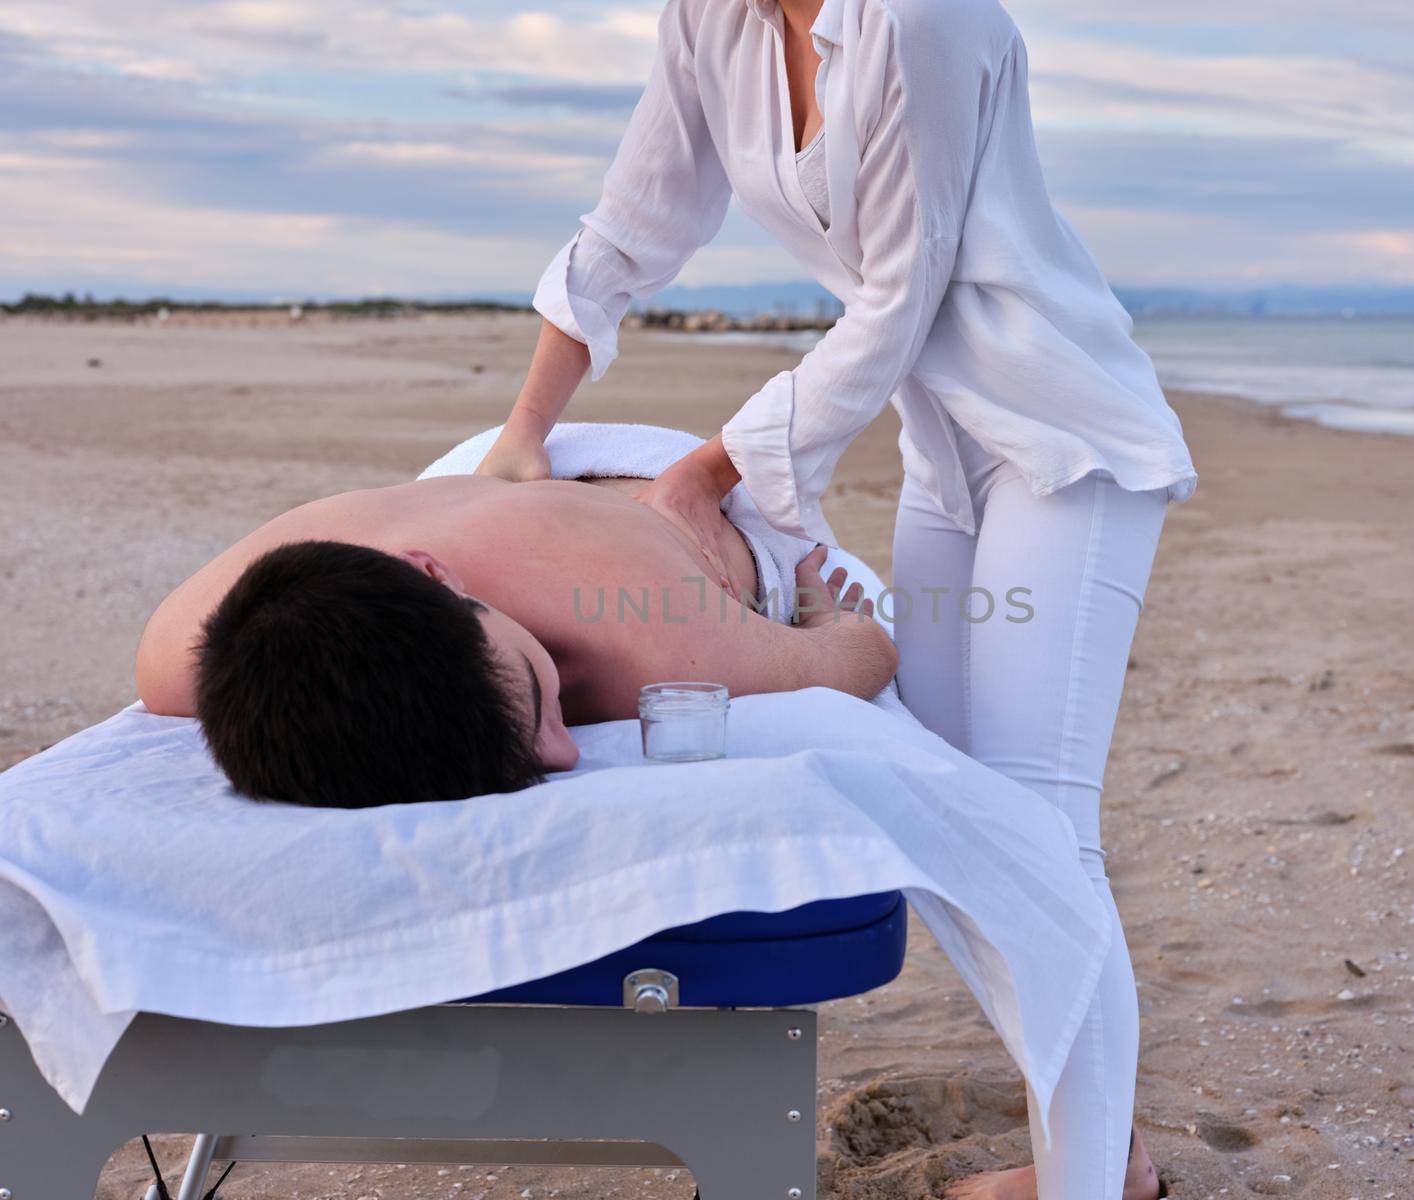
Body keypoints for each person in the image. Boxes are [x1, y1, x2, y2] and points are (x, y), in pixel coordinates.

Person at [473, 2, 1195, 1197]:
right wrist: (523, 432)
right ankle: (1105, 1155)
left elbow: (899, 301)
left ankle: (1088, 1179)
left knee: (1038, 827)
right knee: (952, 816)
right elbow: (629, 227)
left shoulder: (927, 21)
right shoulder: (709, 21)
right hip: (945, 457)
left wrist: (705, 472)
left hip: (1063, 440)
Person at [134, 471, 893, 808]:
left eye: (541, 688)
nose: (565, 754)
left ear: (437, 579)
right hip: (473, 477)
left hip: (651, 499)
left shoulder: (664, 642)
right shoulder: (179, 654)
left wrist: (821, 617)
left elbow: (865, 651)